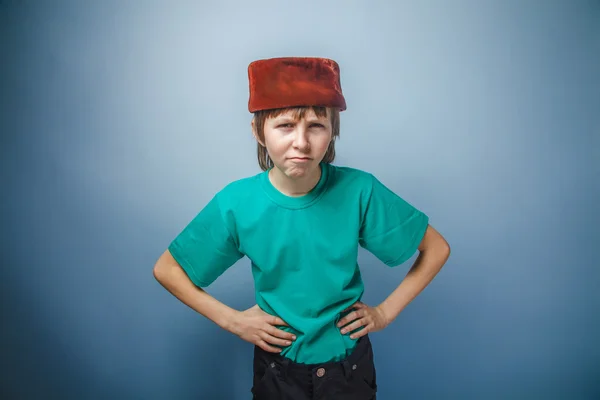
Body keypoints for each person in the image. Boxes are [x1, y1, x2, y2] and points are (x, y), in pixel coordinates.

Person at [153, 56, 451, 400]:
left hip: (348, 369)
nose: (302, 142)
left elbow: (436, 248)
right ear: (258, 131)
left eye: (316, 125)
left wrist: (384, 312)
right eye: (285, 126)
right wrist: (232, 321)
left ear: (333, 130)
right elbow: (167, 269)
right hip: (278, 372)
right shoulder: (236, 202)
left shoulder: (359, 191)